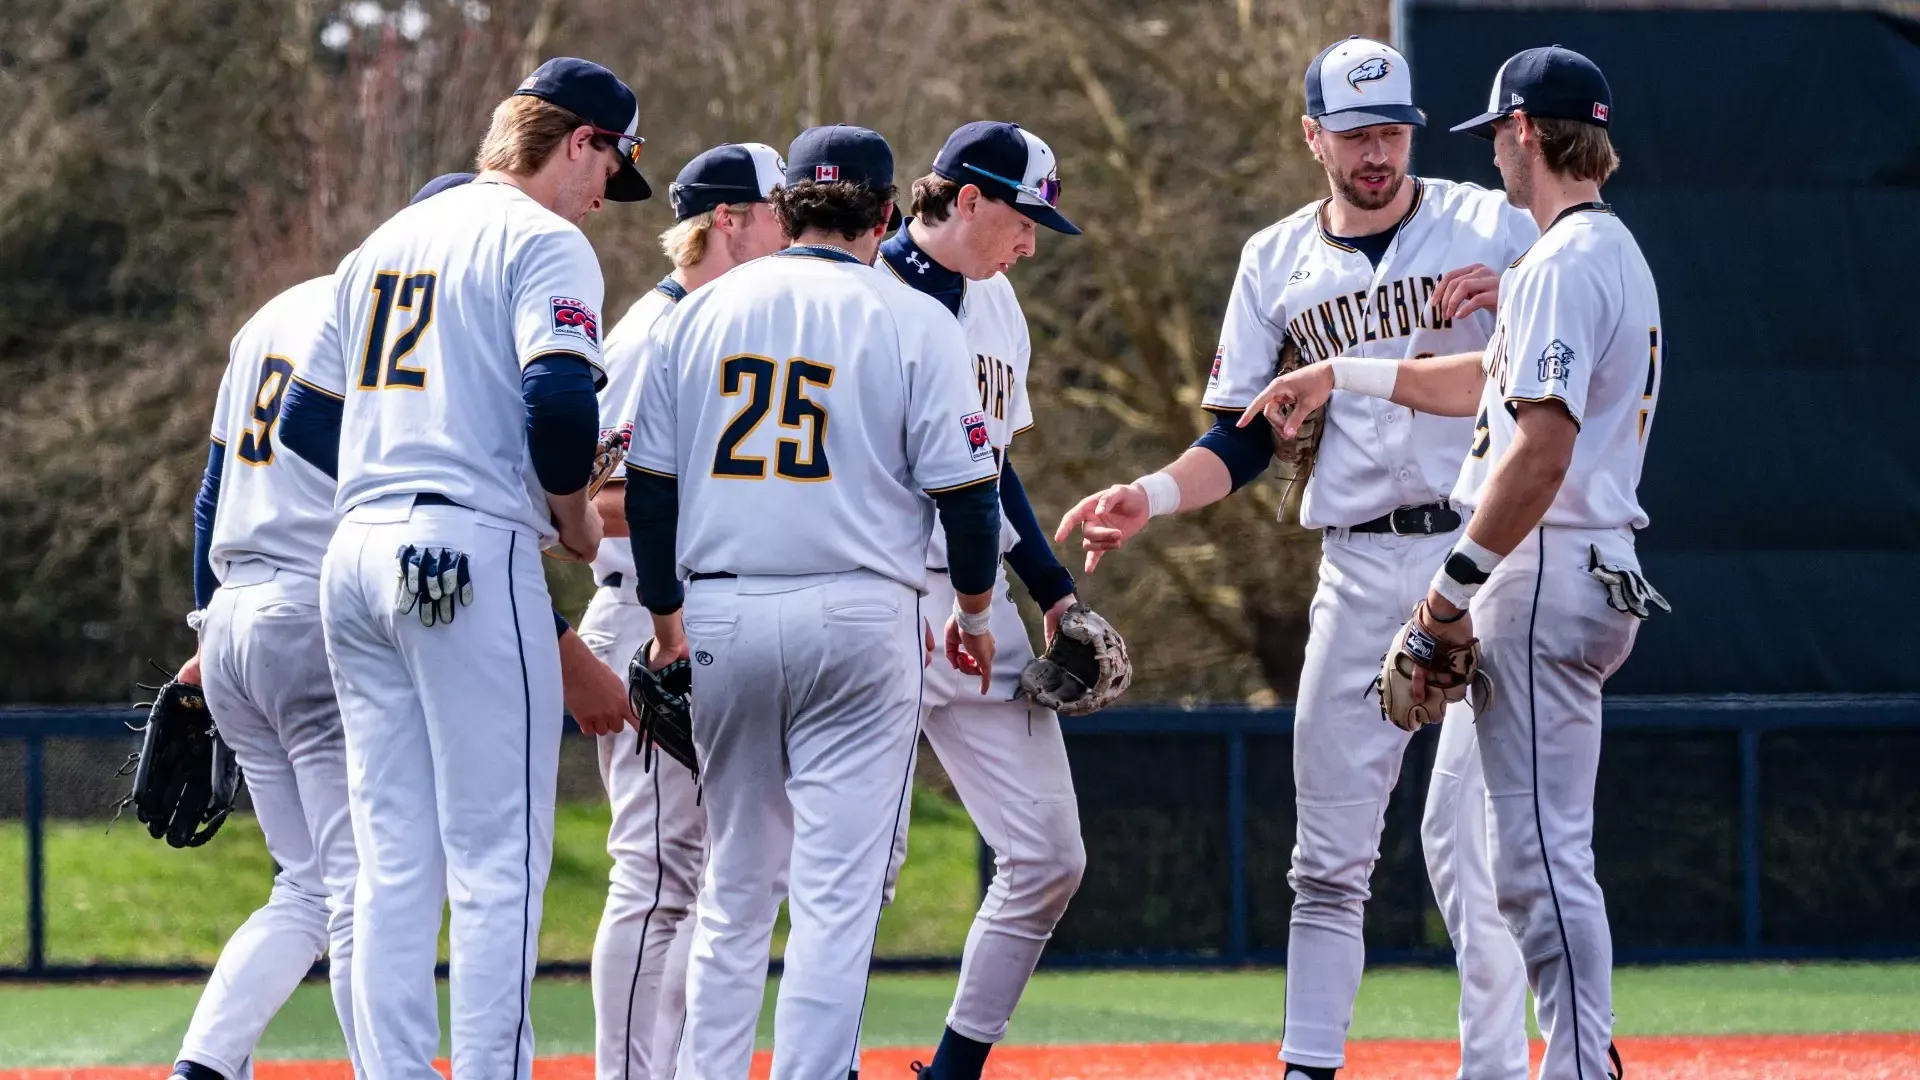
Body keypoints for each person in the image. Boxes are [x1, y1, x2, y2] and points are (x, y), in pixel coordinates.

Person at [1053, 37, 1539, 1080]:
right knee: (1326, 858)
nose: (1378, 151)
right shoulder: (1275, 260)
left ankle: (1498, 1068)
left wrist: (1520, 278)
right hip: (1360, 567)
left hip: (1482, 558)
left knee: (1475, 851)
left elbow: (1585, 296)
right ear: (1310, 133)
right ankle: (1308, 1066)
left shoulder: (1487, 223)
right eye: (1356, 132)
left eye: (1394, 130)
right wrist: (1148, 495)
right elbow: (1244, 434)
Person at [1240, 44, 1659, 1080]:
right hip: (1585, 562)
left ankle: (1573, 1064)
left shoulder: (1560, 260)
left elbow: (1540, 444)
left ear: (1524, 132)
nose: (1492, 162)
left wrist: (1449, 591)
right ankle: (1559, 1058)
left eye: (1495, 137)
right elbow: (1485, 376)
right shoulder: (1603, 250)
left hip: (1548, 564)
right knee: (1507, 849)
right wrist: (1347, 371)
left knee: (1536, 862)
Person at [172, 169, 633, 1080]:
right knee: (481, 856)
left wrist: (203, 627)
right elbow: (547, 411)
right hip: (360, 584)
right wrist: (521, 502)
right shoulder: (487, 266)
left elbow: (226, 481)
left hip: (259, 601)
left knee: (351, 875)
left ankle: (248, 1066)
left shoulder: (292, 304)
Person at [621, 124, 1001, 1080]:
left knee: (734, 887)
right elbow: (967, 494)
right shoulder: (916, 318)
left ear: (786, 208)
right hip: (859, 614)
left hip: (723, 613)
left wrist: (666, 619)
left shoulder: (694, 313)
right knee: (835, 894)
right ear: (884, 215)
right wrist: (975, 614)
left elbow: (653, 490)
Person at [298, 57, 647, 1080]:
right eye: (608, 167)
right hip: (459, 553)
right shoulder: (545, 239)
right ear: (580, 140)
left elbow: (309, 416)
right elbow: (559, 405)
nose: (604, 195)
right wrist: (572, 517)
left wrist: (400, 468)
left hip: (355, 554)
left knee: (395, 857)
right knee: (498, 857)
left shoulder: (384, 242)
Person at [873, 121, 1088, 1080]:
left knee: (1049, 855)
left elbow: (994, 469)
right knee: (853, 872)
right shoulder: (864, 292)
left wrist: (1052, 590)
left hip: (977, 596)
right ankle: (819, 1058)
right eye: (1025, 216)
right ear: (966, 199)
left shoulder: (1000, 307)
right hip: (871, 594)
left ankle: (954, 1068)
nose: (1032, 241)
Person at [578, 140, 787, 1080]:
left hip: (706, 618)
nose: (794, 225)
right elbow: (589, 502)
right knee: (657, 877)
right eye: (780, 209)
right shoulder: (654, 332)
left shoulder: (724, 327)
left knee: (706, 881)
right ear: (731, 222)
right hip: (643, 617)